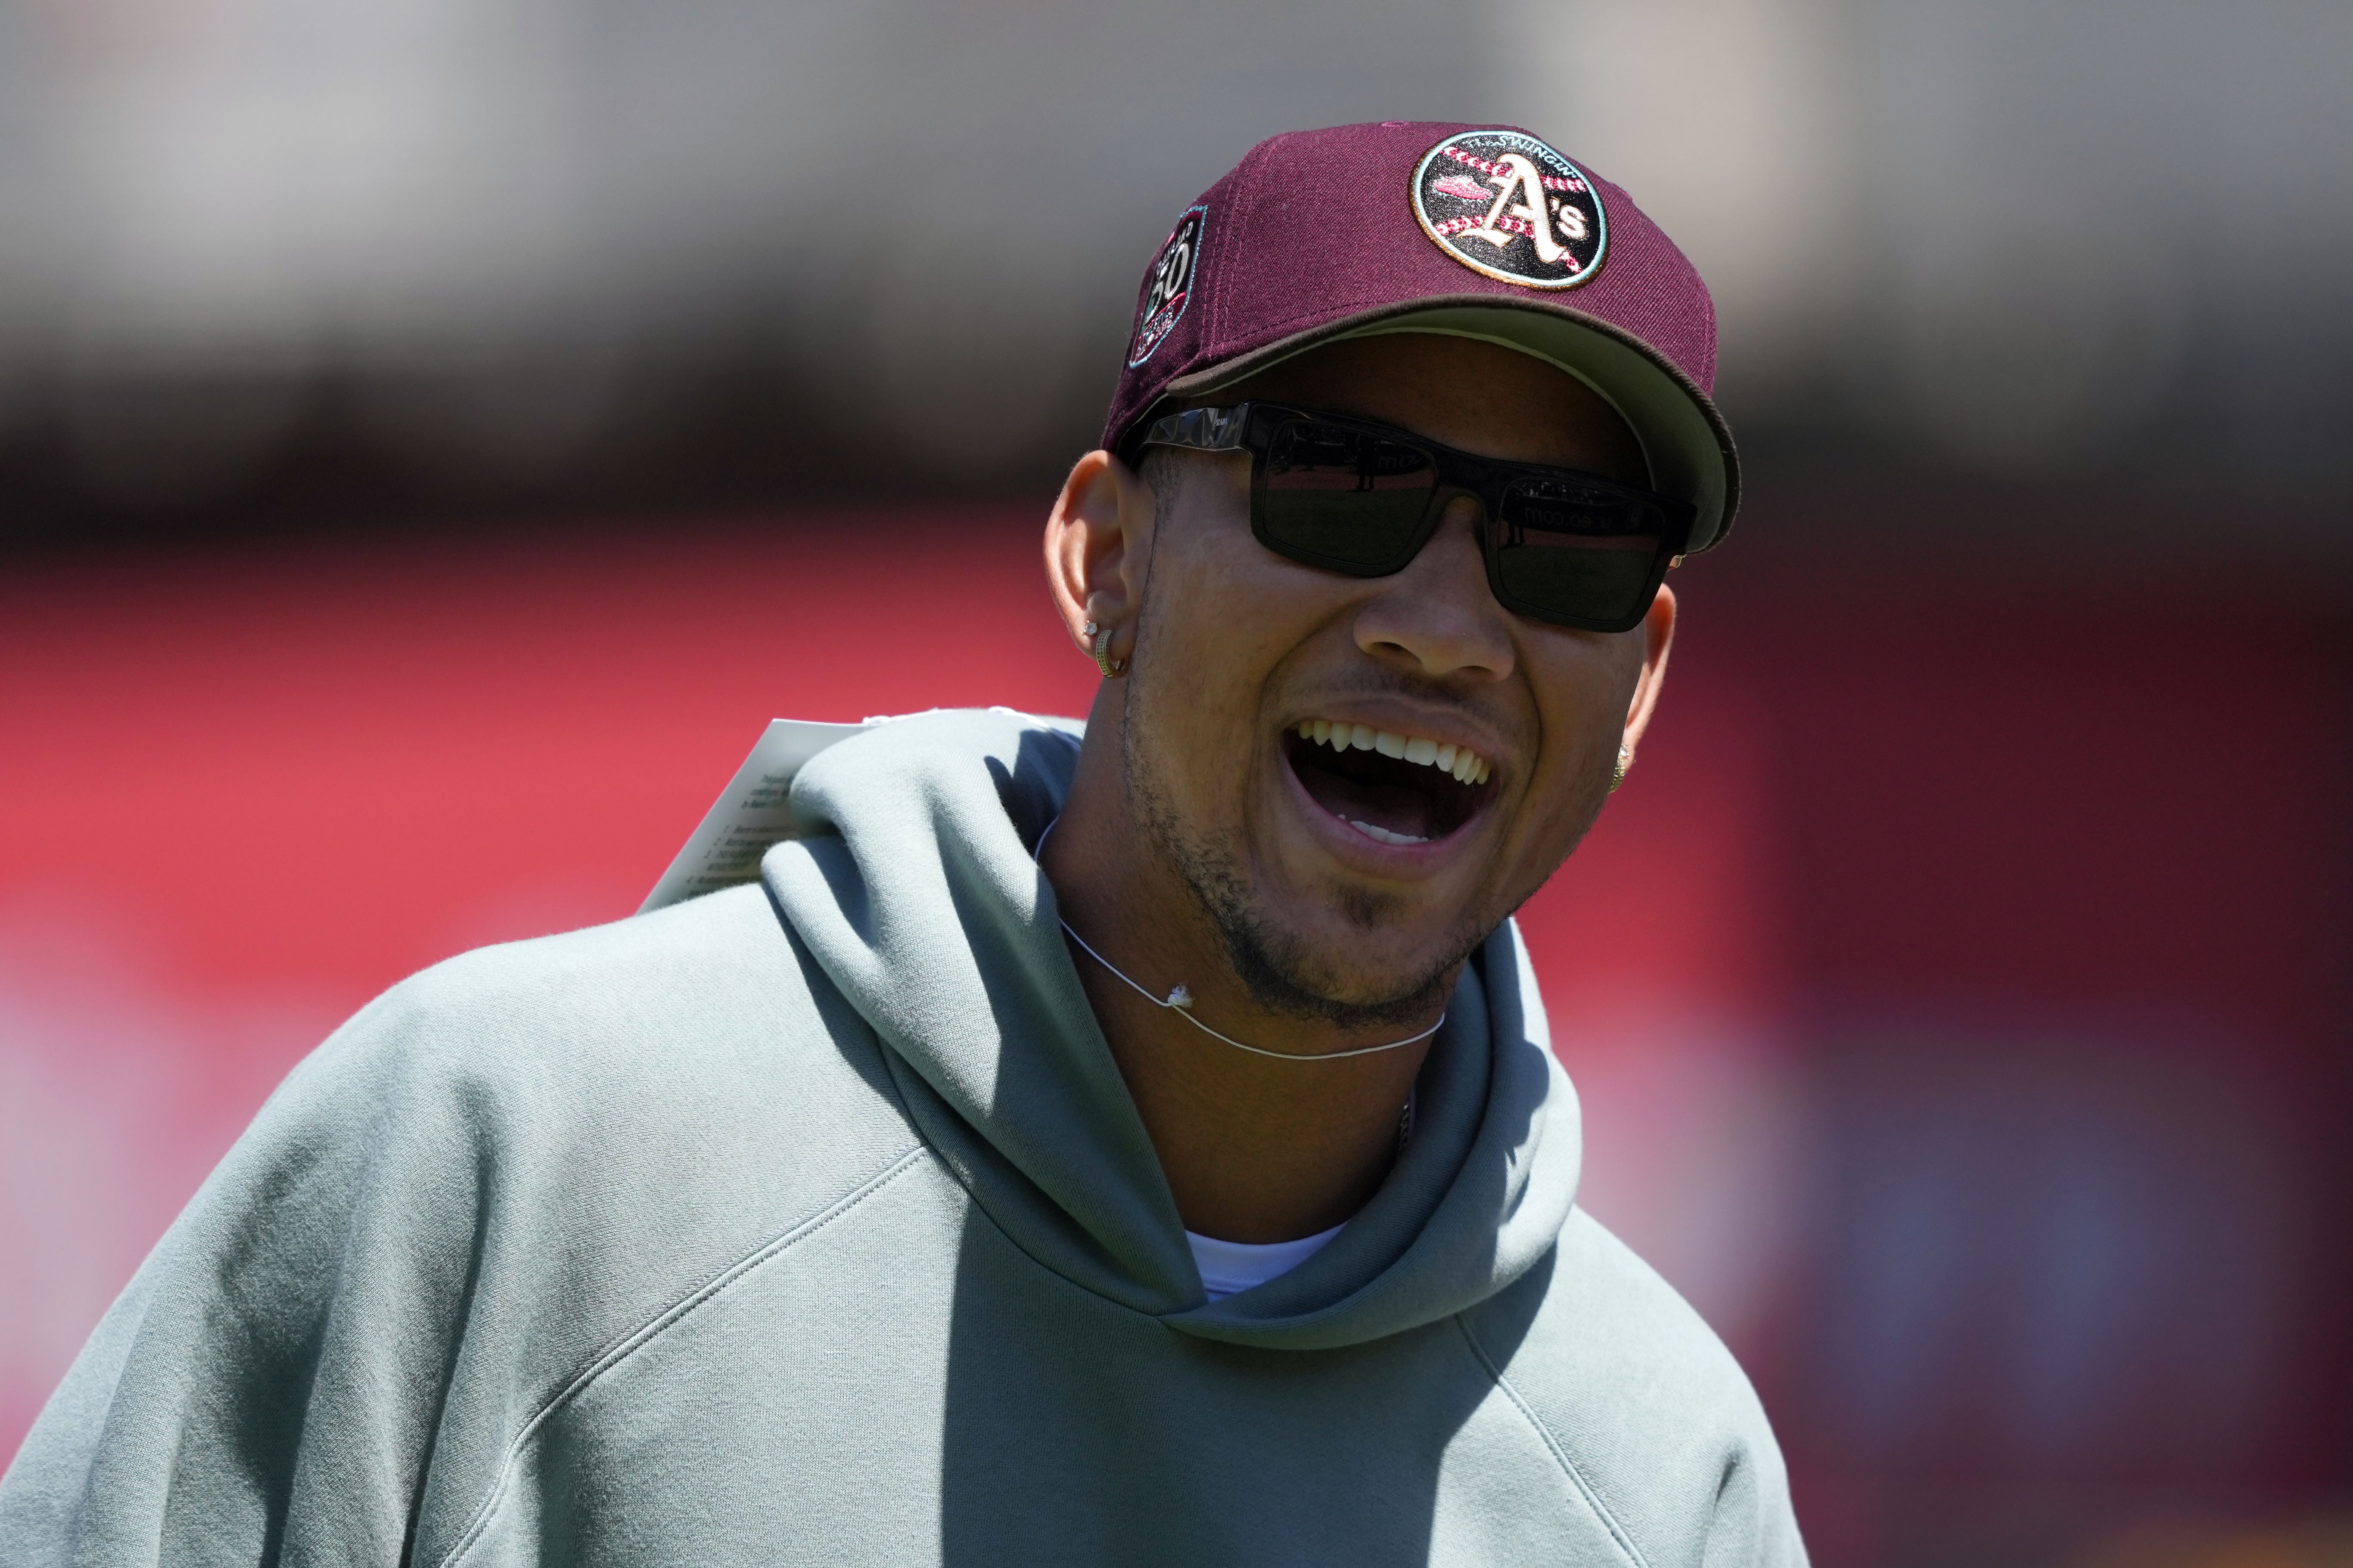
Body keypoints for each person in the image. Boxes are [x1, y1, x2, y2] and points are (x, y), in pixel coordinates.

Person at [0, 123, 1803, 1564]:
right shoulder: (510, 1141)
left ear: (1638, 681)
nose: (1444, 622)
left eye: (1565, 541)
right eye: (1340, 485)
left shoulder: (1660, 1473)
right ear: (1106, 559)